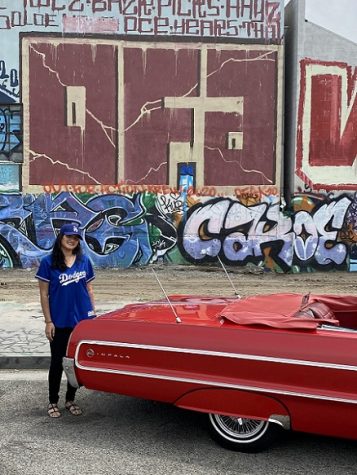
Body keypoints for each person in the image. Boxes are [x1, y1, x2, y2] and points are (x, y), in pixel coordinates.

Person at [36, 223, 96, 418]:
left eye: (76, 237)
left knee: (74, 364)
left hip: (81, 323)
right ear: (60, 237)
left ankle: (70, 399)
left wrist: (92, 315)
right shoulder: (48, 263)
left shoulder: (84, 261)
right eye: (68, 236)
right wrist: (48, 322)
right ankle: (53, 401)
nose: (72, 240)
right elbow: (44, 295)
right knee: (57, 363)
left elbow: (89, 290)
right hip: (59, 322)